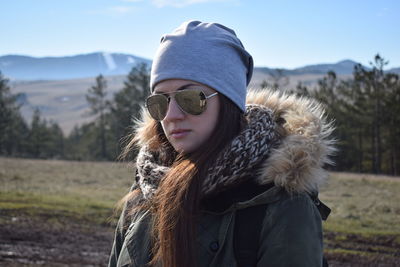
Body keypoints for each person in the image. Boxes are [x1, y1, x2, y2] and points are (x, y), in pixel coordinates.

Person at [108, 20, 335, 267]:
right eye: (159, 102)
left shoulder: (282, 207)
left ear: (229, 104)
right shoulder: (143, 195)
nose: (171, 115)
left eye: (191, 98)